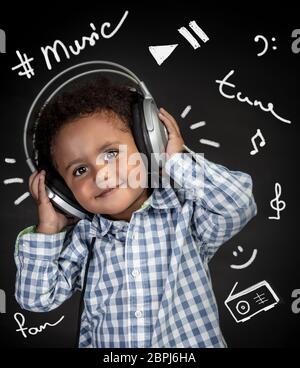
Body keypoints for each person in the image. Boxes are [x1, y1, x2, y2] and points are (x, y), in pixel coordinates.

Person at [14, 77, 257, 348]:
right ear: (65, 193)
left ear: (148, 144)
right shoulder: (85, 240)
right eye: (79, 170)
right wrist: (48, 229)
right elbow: (37, 298)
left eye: (110, 153)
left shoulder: (183, 216)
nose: (101, 174)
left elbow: (238, 203)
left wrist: (176, 162)